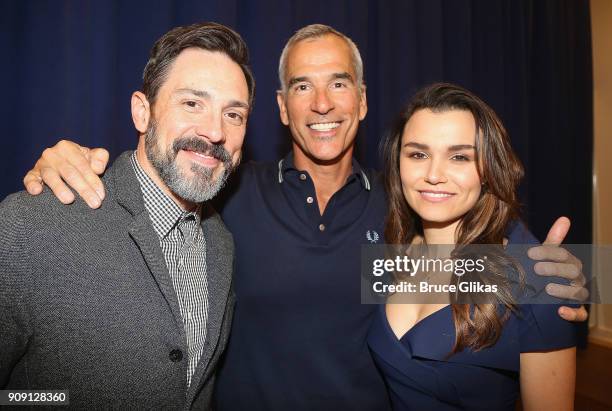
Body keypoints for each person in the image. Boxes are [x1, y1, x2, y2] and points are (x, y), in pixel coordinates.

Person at [21, 24, 587, 410]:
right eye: (302, 86)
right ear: (280, 107)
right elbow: (159, 176)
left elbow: (476, 275)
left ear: (362, 102)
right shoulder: (228, 192)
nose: (322, 103)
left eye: (338, 83)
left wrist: (564, 273)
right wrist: (67, 161)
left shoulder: (402, 211)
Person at [0, 22, 254, 409]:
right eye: (192, 103)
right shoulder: (31, 224)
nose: (215, 131)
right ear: (142, 112)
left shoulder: (221, 242)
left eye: (233, 114)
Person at [369, 82, 576, 410]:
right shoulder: (390, 253)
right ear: (398, 164)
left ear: (487, 170)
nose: (434, 174)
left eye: (460, 157)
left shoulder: (536, 281)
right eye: (418, 154)